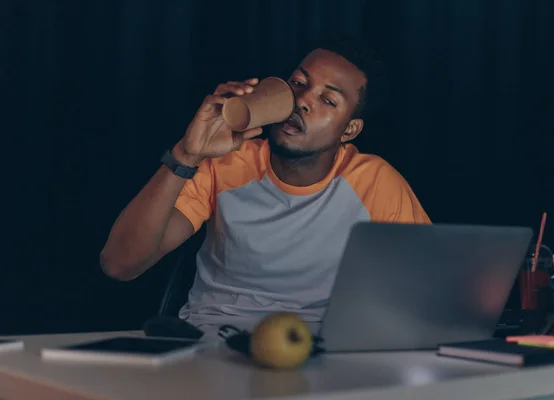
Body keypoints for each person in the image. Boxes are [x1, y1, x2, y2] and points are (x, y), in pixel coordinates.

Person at [100, 36, 431, 338]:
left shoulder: (373, 181)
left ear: (349, 130)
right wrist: (187, 154)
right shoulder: (227, 162)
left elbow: (430, 287)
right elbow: (120, 264)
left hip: (318, 354)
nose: (302, 101)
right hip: (212, 345)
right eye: (298, 83)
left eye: (328, 101)